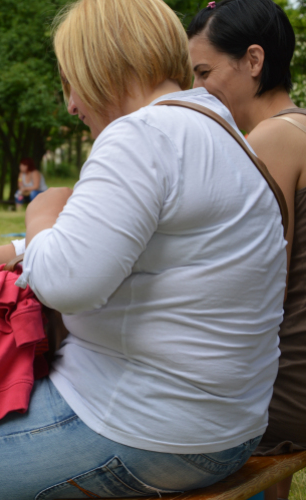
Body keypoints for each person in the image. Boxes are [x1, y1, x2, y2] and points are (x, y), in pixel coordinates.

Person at [0, 0, 288, 498]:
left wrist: (41, 210)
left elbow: (68, 282)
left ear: (100, 66)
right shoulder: (224, 136)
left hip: (149, 432)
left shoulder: (140, 135)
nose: (70, 104)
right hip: (228, 430)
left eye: (70, 81)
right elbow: (114, 244)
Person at [188, 2, 305, 499]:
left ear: (253, 61)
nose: (197, 90)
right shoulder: (299, 126)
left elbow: (257, 285)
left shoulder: (270, 139)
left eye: (205, 72)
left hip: (291, 392)